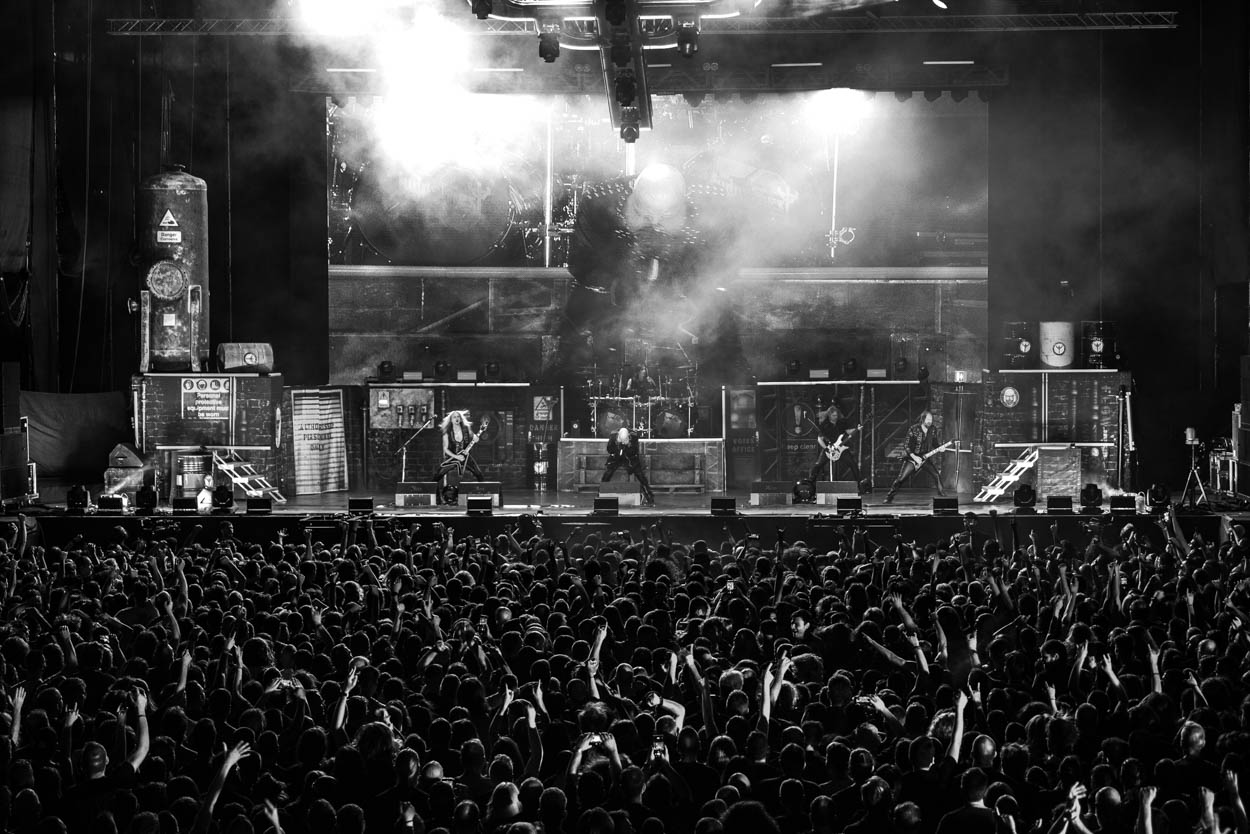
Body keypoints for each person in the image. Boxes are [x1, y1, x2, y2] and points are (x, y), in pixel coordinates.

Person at [884, 410, 947, 503]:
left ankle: (944, 498)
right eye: (928, 419)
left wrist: (940, 448)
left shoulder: (933, 429)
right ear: (923, 419)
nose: (930, 421)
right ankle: (889, 497)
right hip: (912, 458)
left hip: (925, 458)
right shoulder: (913, 429)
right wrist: (914, 457)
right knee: (901, 479)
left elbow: (935, 443)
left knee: (936, 475)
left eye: (931, 419)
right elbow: (906, 445)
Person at [431, 410, 484, 503]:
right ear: (451, 420)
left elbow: (474, 439)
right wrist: (456, 457)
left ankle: (483, 498)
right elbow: (446, 449)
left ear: (461, 419)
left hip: (465, 456)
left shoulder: (466, 429)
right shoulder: (447, 432)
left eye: (458, 417)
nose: (456, 418)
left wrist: (476, 439)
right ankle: (435, 499)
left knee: (479, 474)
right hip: (453, 457)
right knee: (437, 476)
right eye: (454, 417)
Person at [805, 404, 862, 490]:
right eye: (833, 415)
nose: (835, 417)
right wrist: (825, 448)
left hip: (841, 448)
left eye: (836, 415)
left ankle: (859, 485)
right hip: (829, 447)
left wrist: (857, 429)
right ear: (829, 415)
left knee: (852, 463)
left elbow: (848, 431)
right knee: (818, 465)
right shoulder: (825, 425)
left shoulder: (841, 423)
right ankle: (809, 483)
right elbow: (820, 439)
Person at [602, 425, 655, 505]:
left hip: (630, 458)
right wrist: (618, 448)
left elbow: (635, 450)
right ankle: (601, 494)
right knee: (608, 473)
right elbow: (609, 449)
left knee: (640, 476)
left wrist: (627, 446)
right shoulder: (613, 435)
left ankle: (649, 497)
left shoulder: (634, 436)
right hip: (616, 457)